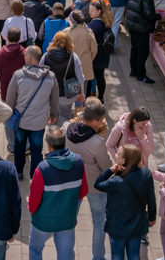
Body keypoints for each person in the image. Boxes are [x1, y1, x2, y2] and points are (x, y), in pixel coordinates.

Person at [28, 126, 88, 260]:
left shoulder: (42, 169)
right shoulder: (78, 162)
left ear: (49, 146)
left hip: (43, 222)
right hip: (67, 220)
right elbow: (84, 190)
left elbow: (34, 200)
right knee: (65, 255)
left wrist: (32, 211)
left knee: (35, 250)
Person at [64, 102, 111, 260]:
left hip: (72, 183)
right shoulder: (97, 142)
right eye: (102, 120)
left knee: (69, 221)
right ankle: (98, 256)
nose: (104, 122)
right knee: (98, 221)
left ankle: (68, 254)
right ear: (95, 121)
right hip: (94, 186)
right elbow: (106, 166)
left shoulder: (66, 129)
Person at [5, 45, 59, 178]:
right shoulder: (50, 77)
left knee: (19, 147)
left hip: (21, 122)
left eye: (24, 56)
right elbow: (54, 100)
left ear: (29, 59)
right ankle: (35, 175)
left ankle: (18, 171)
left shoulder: (18, 75)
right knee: (36, 150)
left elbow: (10, 99)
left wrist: (9, 114)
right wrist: (53, 115)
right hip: (39, 123)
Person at [95, 144, 156, 260]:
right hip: (137, 223)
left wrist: (110, 171)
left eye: (118, 153)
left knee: (117, 255)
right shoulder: (146, 174)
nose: (116, 154)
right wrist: (152, 217)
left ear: (124, 160)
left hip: (117, 225)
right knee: (134, 255)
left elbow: (98, 184)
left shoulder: (116, 181)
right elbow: (151, 198)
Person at [40, 31, 84, 123]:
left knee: (52, 115)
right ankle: (63, 132)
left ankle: (53, 133)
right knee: (66, 115)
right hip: (67, 95)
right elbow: (80, 77)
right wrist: (81, 93)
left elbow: (40, 75)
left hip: (51, 94)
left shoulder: (46, 56)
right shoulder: (73, 57)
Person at [124, 0, 159, 84]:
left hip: (131, 25)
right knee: (142, 52)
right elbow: (148, 14)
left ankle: (133, 71)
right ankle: (141, 75)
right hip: (141, 28)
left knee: (134, 48)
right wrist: (158, 16)